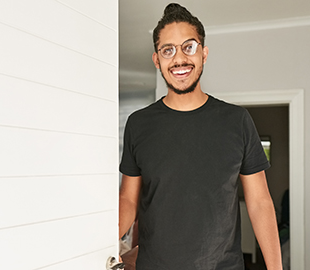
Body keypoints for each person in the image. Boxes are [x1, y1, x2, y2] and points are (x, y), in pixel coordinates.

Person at [119, 3, 282, 269]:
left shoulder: (237, 121)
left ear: (204, 54)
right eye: (168, 50)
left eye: (189, 46)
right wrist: (98, 243)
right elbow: (128, 199)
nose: (179, 58)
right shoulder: (138, 124)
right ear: (156, 59)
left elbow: (260, 203)